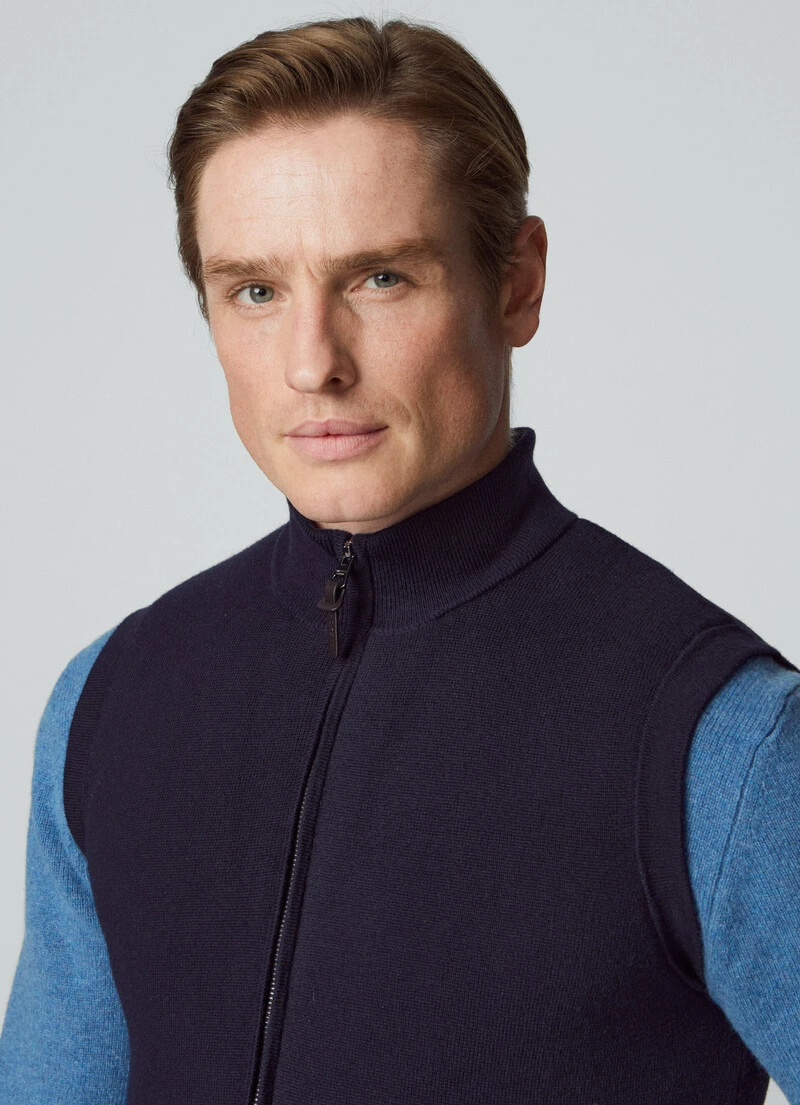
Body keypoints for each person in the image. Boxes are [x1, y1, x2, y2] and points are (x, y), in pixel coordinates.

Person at [0, 14, 798, 1105]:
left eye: (379, 277)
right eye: (255, 291)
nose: (313, 364)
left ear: (515, 284)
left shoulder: (717, 736)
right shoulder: (112, 700)